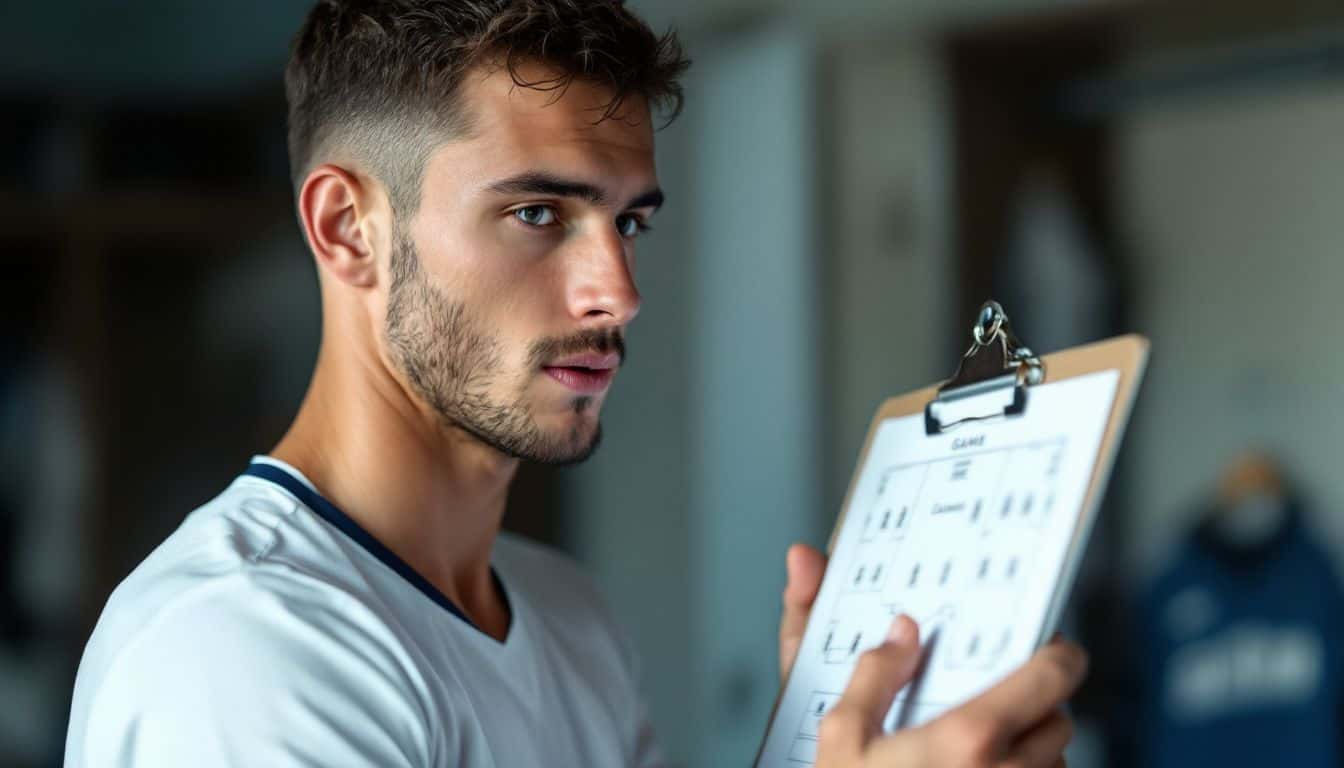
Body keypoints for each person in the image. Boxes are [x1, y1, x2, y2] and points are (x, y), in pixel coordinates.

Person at [64, 1, 1086, 765]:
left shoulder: (569, 616)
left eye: (629, 221)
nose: (619, 291)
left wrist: (823, 743)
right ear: (348, 229)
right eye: (539, 215)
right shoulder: (245, 648)